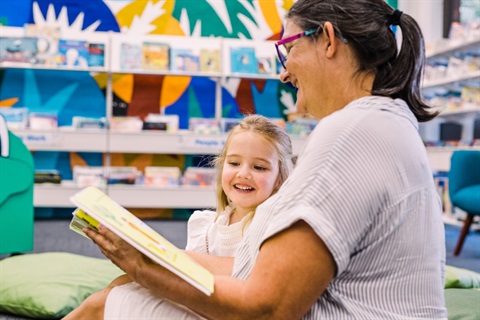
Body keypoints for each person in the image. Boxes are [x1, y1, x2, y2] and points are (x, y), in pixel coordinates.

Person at [67, 0, 448, 318]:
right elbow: (263, 269)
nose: (284, 72)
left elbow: (268, 308)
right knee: (121, 294)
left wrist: (143, 269)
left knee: (106, 306)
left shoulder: (349, 132)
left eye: (289, 48)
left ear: (328, 40)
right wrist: (159, 257)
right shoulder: (386, 121)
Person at [63, 114, 294, 319]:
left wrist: (159, 256)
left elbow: (244, 270)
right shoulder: (205, 226)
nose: (243, 174)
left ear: (281, 178)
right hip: (198, 306)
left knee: (99, 305)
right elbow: (183, 283)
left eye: (260, 168)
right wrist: (136, 272)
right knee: (114, 291)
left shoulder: (273, 225)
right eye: (234, 163)